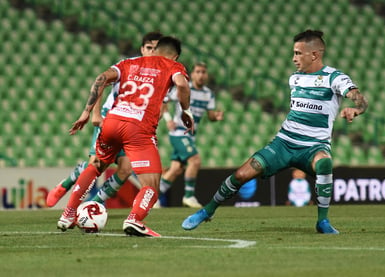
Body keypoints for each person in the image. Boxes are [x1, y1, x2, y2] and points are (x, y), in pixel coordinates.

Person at [181, 29, 368, 234]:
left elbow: (358, 98)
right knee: (241, 174)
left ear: (315, 54)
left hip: (314, 147)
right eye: (293, 53)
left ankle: (322, 221)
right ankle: (207, 211)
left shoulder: (334, 77)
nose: (293, 58)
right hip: (284, 143)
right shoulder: (294, 79)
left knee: (325, 162)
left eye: (298, 53)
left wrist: (355, 109)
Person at [57, 36, 194, 237]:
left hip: (111, 122)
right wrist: (186, 110)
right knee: (152, 184)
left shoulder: (128, 63)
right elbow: (181, 85)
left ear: (155, 49)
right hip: (138, 129)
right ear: (175, 56)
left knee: (96, 165)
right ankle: (134, 220)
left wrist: (87, 112)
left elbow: (100, 79)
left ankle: (67, 214)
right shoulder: (173, 66)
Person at [46, 31, 163, 208]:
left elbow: (161, 107)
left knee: (125, 169)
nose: (152, 52)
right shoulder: (129, 65)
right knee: (97, 164)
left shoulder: (163, 73)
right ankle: (64, 186)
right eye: (149, 47)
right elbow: (102, 80)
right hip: (112, 117)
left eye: (156, 48)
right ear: (142, 49)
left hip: (136, 126)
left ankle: (92, 205)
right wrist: (95, 112)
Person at [159, 62, 224, 208]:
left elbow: (211, 116)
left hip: (190, 136)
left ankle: (152, 198)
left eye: (203, 72)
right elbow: (164, 101)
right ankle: (188, 196)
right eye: (198, 72)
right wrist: (168, 120)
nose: (201, 75)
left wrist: (216, 117)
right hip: (178, 133)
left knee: (175, 169)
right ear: (193, 74)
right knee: (195, 160)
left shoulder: (208, 94)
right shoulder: (183, 88)